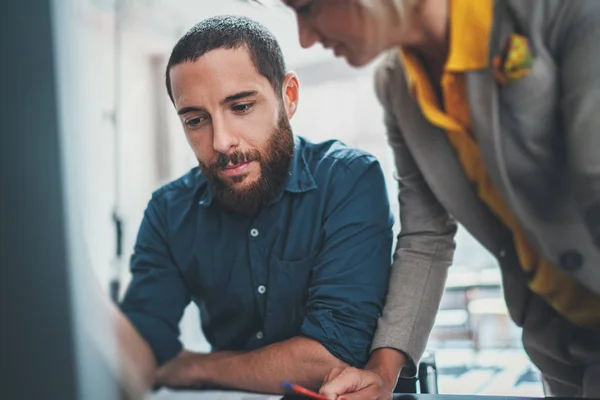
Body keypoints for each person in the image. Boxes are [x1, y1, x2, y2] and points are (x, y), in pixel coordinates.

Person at [276, 0, 600, 398]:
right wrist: (381, 373)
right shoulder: (398, 88)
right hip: (558, 343)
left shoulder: (561, 12)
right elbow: (426, 236)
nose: (305, 38)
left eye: (308, 8)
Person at [118, 15, 395, 395]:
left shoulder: (348, 181)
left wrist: (198, 366)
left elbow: (332, 357)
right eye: (196, 120)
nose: (221, 142)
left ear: (289, 96)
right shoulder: (169, 212)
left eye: (242, 107)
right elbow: (145, 345)